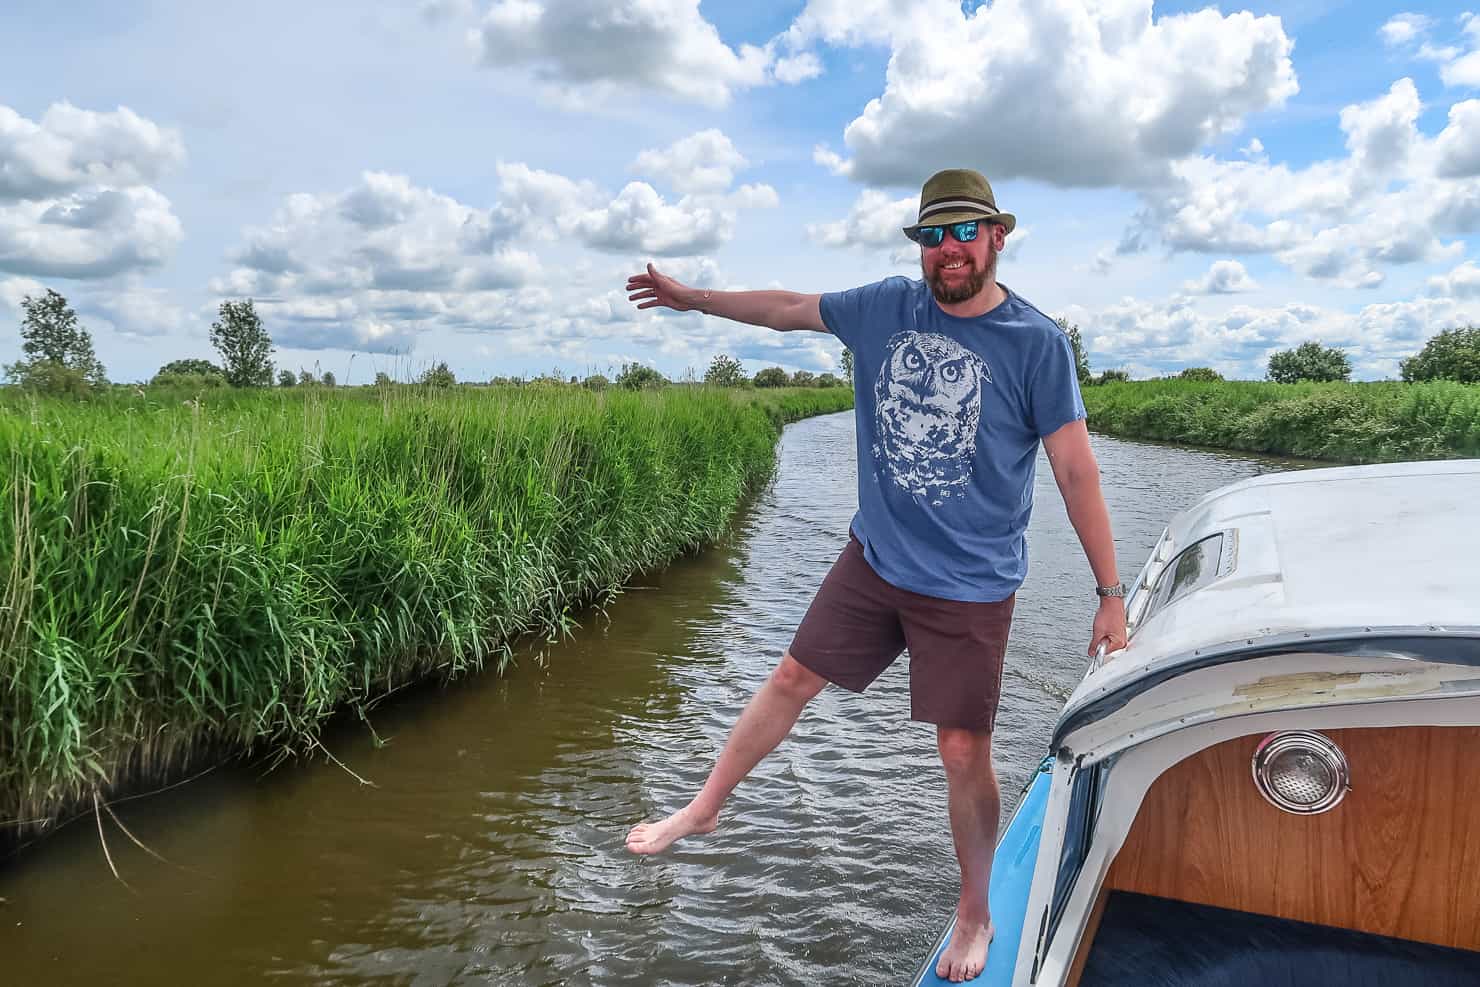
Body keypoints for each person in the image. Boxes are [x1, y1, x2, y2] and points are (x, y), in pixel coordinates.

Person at [622, 168, 1128, 983]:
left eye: (965, 232)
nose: (949, 250)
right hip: (876, 559)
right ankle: (708, 805)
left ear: (999, 236)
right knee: (790, 674)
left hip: (969, 584)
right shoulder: (885, 307)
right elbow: (788, 310)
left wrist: (1110, 592)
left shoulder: (1036, 345)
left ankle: (973, 907)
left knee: (961, 749)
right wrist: (695, 300)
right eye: (934, 236)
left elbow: (1075, 470)